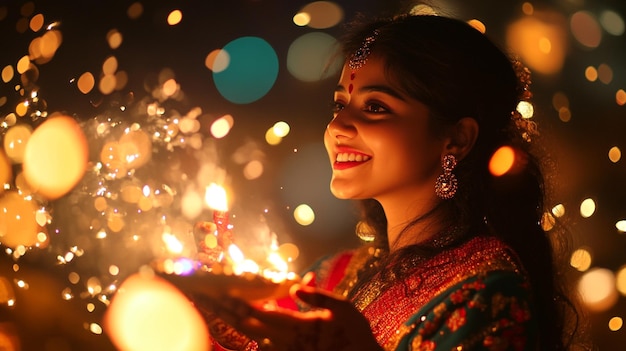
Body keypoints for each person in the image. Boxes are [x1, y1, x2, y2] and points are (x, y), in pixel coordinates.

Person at [195, 12, 588, 351]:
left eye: (376, 107)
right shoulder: (335, 276)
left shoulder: (484, 294)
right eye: (339, 105)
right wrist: (224, 319)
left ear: (457, 138)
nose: (337, 127)